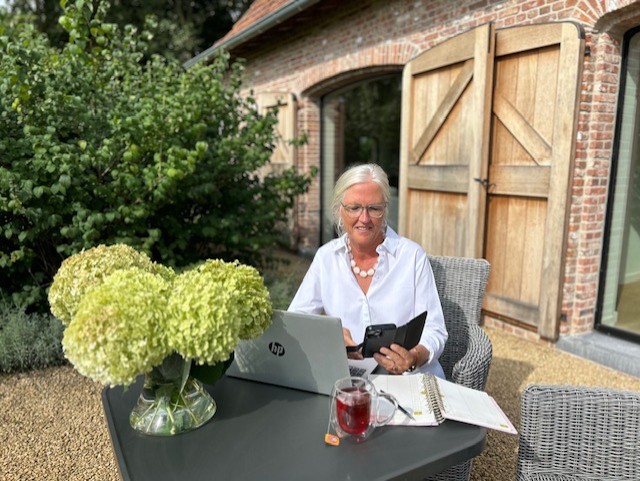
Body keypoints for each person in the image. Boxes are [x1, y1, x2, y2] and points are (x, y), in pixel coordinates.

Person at [288, 163, 448, 377]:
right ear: (339, 210)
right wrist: (327, 335)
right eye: (354, 208)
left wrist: (413, 357)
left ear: (385, 210)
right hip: (350, 379)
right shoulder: (326, 258)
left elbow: (435, 329)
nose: (364, 218)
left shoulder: (412, 257)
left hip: (408, 378)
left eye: (373, 208)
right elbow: (296, 321)